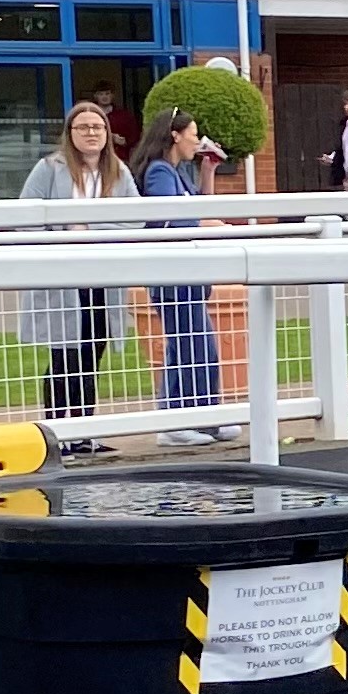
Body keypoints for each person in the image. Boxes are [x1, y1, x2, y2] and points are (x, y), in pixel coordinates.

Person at [18, 100, 124, 453]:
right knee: (64, 356)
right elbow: (25, 217)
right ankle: (57, 435)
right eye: (84, 127)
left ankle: (84, 433)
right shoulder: (49, 168)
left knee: (93, 355)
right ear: (70, 133)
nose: (92, 133)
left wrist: (89, 228)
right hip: (63, 280)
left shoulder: (119, 172)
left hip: (102, 279)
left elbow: (136, 219)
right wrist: (64, 232)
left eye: (98, 127)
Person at [128, 110, 224, 448]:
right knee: (187, 346)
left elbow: (197, 208)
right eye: (193, 134)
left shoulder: (176, 172)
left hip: (188, 273)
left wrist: (208, 171)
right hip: (172, 274)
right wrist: (208, 225)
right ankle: (175, 420)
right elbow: (169, 218)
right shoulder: (158, 172)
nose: (197, 141)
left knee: (200, 347)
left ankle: (205, 416)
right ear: (175, 135)